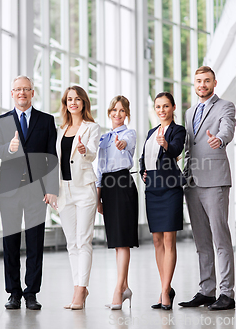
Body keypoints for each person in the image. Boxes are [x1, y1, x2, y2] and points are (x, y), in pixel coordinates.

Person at [0, 76, 58, 310]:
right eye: (17, 89)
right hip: (9, 191)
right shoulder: (0, 121)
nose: (22, 93)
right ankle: (13, 292)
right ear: (12, 93)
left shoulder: (47, 121)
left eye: (26, 89)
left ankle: (31, 292)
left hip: (36, 192)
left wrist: (52, 189)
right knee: (10, 243)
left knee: (35, 243)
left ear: (32, 92)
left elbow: (52, 157)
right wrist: (8, 150)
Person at [178, 66, 236, 311]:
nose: (202, 84)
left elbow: (227, 129)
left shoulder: (225, 106)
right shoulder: (190, 111)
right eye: (198, 81)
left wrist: (220, 139)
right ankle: (206, 291)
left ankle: (227, 293)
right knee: (201, 241)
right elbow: (189, 147)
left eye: (206, 81)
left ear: (214, 83)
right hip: (192, 182)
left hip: (214, 180)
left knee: (220, 238)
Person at [140, 92, 186, 311]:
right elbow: (144, 157)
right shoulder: (151, 132)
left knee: (169, 241)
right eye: (158, 106)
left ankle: (165, 292)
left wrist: (166, 144)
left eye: (165, 106)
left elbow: (177, 149)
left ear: (173, 107)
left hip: (170, 188)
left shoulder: (178, 130)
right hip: (152, 188)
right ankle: (165, 287)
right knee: (157, 240)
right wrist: (142, 171)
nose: (161, 110)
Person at [56, 86, 100, 310]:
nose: (73, 102)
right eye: (69, 99)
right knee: (71, 243)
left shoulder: (92, 127)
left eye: (77, 99)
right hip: (64, 190)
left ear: (84, 102)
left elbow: (92, 153)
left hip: (84, 189)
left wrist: (83, 149)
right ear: (66, 103)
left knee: (84, 241)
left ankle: (80, 291)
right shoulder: (60, 129)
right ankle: (78, 285)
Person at [96, 95, 138, 310]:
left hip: (122, 183)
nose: (117, 114)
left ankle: (118, 289)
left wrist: (122, 144)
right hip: (108, 187)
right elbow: (100, 168)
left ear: (126, 114)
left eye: (122, 111)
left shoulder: (129, 133)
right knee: (116, 241)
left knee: (122, 240)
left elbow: (127, 144)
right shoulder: (103, 138)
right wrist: (98, 197)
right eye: (114, 110)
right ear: (109, 112)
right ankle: (126, 287)